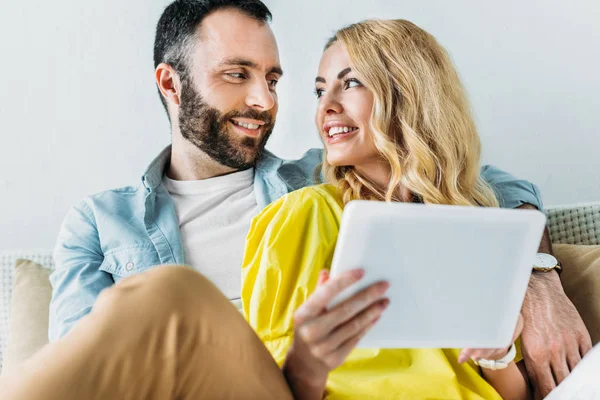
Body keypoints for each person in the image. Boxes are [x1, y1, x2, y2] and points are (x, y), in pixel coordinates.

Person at [0, 1, 589, 399]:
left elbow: (469, 179)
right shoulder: (99, 222)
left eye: (274, 79)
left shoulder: (324, 179)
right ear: (170, 83)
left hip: (286, 384)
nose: (264, 100)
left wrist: (535, 276)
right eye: (237, 74)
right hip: (187, 379)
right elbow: (88, 364)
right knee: (164, 298)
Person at [239, 18, 535, 399]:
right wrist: (307, 361)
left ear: (408, 93)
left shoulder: (472, 227)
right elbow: (268, 388)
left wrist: (499, 354)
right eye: (319, 91)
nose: (326, 107)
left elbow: (517, 396)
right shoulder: (305, 215)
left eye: (350, 83)